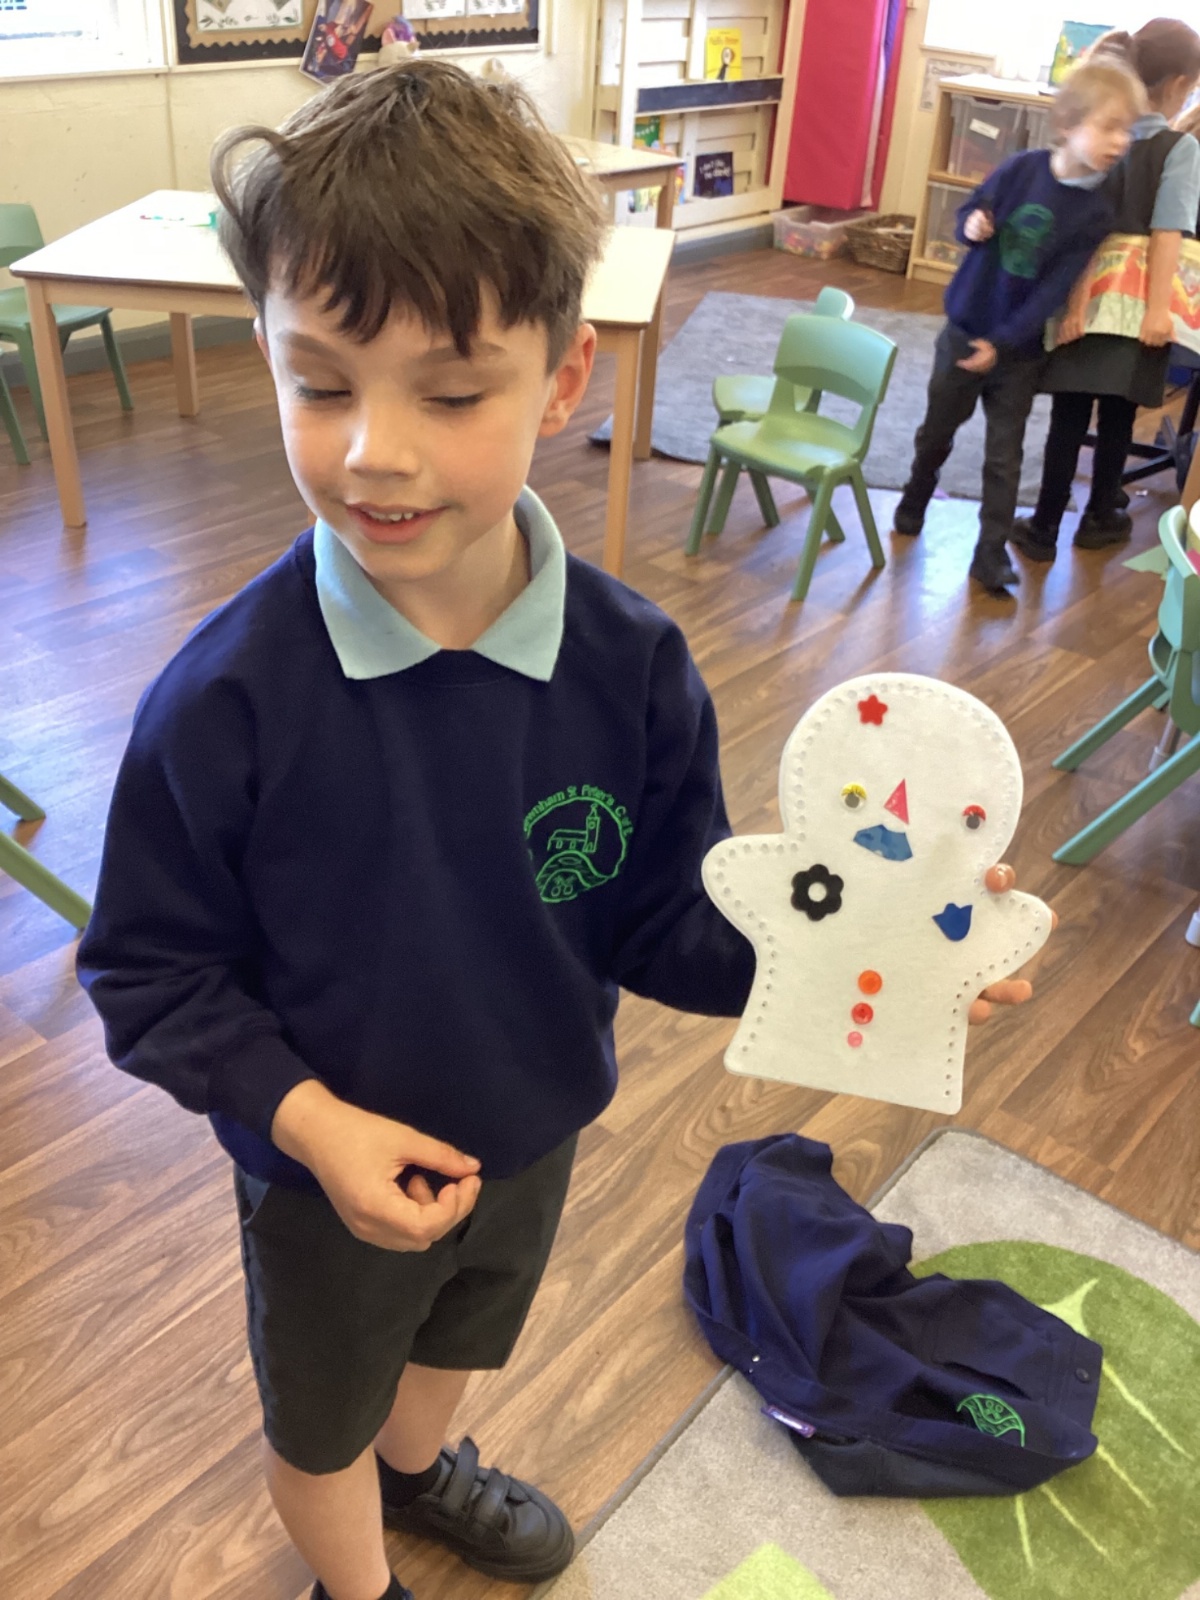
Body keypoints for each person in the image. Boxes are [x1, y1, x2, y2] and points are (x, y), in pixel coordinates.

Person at [76, 61, 1041, 1600]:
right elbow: (147, 974)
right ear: (267, 353)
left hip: (531, 1125)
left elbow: (662, 922)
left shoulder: (630, 666)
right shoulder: (227, 703)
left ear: (565, 377)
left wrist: (869, 952)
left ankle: (420, 1471)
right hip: (323, 1170)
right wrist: (310, 1126)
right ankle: (355, 1583)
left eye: (452, 394)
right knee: (321, 1420)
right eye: (321, 384)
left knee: (462, 1340)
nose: (375, 449)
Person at [891, 59, 1143, 596]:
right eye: (1109, 127)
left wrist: (1002, 344)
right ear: (1068, 124)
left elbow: (1054, 292)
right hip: (963, 333)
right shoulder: (1020, 169)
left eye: (1127, 130)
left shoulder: (1096, 212)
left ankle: (989, 555)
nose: (1120, 141)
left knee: (1004, 457)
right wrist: (972, 225)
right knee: (936, 433)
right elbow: (969, 213)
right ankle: (915, 496)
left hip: (1018, 353)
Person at [1012, 19, 1200, 560]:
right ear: (1179, 84)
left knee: (1069, 417)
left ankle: (1044, 527)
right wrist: (1159, 311)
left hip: (1084, 291)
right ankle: (1099, 517)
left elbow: (1072, 215)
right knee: (1118, 415)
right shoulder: (1179, 148)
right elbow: (1168, 231)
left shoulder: (1098, 132)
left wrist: (1069, 301)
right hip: (1140, 301)